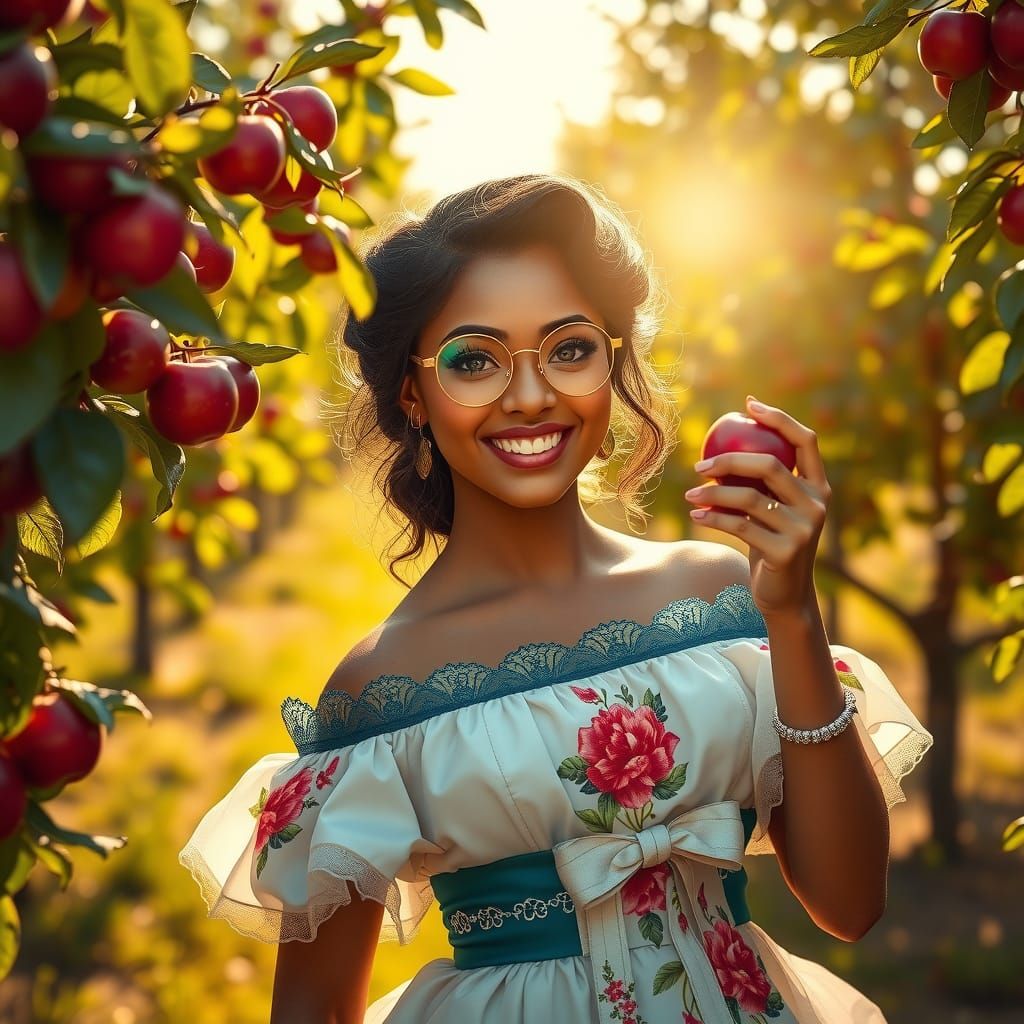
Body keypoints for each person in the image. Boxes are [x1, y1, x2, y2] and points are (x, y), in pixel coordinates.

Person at [178, 173, 934, 1023]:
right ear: (412, 394)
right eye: (473, 360)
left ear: (613, 362)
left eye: (569, 349)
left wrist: (793, 613)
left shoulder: (721, 603)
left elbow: (851, 904)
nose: (531, 396)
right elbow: (313, 1013)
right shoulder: (380, 690)